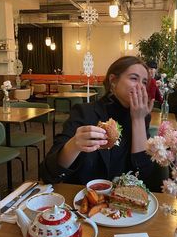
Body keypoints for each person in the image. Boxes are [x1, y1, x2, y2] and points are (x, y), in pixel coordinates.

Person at [40, 56, 168, 192]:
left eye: (144, 82)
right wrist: (74, 145)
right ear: (113, 81)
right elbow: (48, 174)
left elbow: (144, 174)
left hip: (123, 202)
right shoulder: (84, 112)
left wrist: (138, 120)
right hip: (84, 200)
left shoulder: (142, 117)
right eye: (134, 78)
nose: (140, 87)